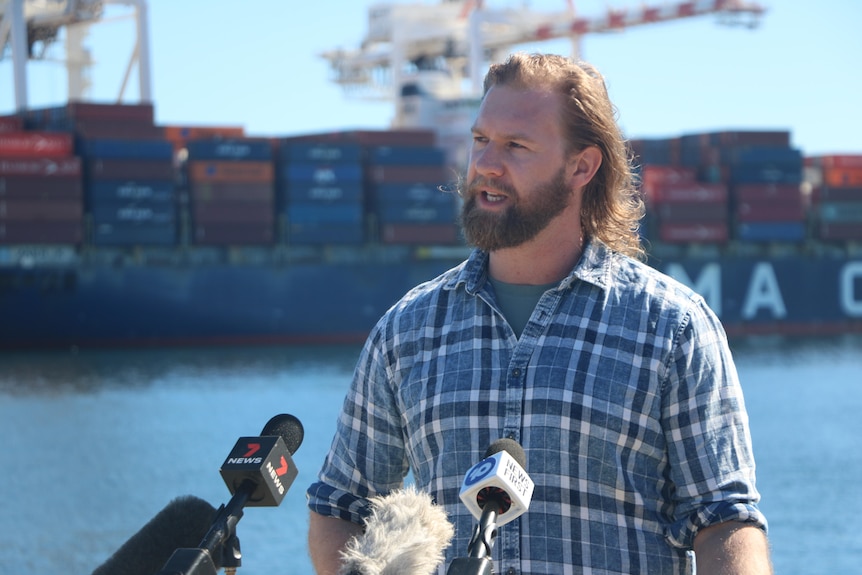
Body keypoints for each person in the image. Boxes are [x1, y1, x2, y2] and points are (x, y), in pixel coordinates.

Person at [306, 52, 771, 575]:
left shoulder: (672, 327)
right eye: (480, 140)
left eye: (516, 146)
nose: (485, 163)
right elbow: (340, 507)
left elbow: (724, 520)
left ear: (582, 166)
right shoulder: (406, 331)